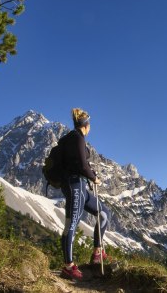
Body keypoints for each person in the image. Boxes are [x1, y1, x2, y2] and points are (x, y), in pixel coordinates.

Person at [60, 108, 111, 280]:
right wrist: (94, 178)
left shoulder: (71, 139)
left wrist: (89, 174)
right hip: (74, 185)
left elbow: (80, 163)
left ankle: (97, 252)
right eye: (90, 125)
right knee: (71, 224)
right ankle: (69, 266)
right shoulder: (77, 138)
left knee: (104, 213)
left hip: (80, 186)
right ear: (86, 125)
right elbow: (82, 165)